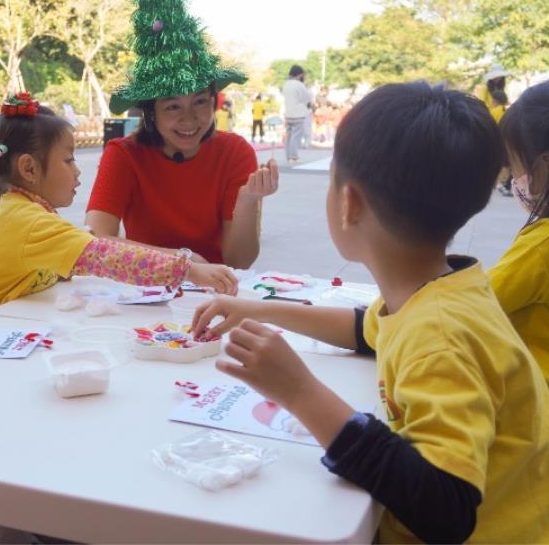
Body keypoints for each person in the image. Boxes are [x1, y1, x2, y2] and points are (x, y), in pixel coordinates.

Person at [192, 82, 549, 543]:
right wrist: (256, 309)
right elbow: (366, 328)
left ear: (349, 203)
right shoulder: (439, 291)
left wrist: (300, 391)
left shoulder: (440, 336)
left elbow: (445, 508)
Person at [0, 94, 238, 320]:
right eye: (68, 160)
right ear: (29, 169)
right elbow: (109, 257)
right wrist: (189, 270)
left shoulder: (27, 213)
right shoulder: (29, 221)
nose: (77, 171)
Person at [85, 0, 278, 269]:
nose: (190, 119)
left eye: (200, 101)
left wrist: (248, 201)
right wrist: (182, 263)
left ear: (213, 101)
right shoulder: (124, 155)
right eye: (173, 106)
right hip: (144, 287)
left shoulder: (234, 153)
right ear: (150, 113)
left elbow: (239, 261)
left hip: (215, 288)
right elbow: (97, 241)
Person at [488, 80, 549, 380]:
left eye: (515, 166)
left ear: (544, 166)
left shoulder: (541, 247)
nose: (514, 178)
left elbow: (474, 304)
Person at [282, 64, 312, 163]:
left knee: (289, 136)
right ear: (299, 74)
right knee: (296, 137)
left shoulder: (286, 84)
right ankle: (294, 156)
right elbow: (306, 98)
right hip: (298, 114)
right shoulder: (299, 85)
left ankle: (288, 156)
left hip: (288, 113)